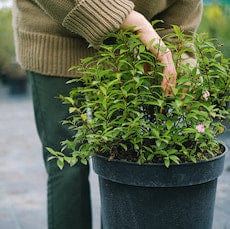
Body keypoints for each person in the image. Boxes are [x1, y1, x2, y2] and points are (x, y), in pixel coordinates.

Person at [12, 1, 203, 228]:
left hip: (127, 49)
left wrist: (184, 66)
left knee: (124, 164)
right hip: (54, 33)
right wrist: (131, 21)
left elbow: (178, 24)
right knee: (67, 167)